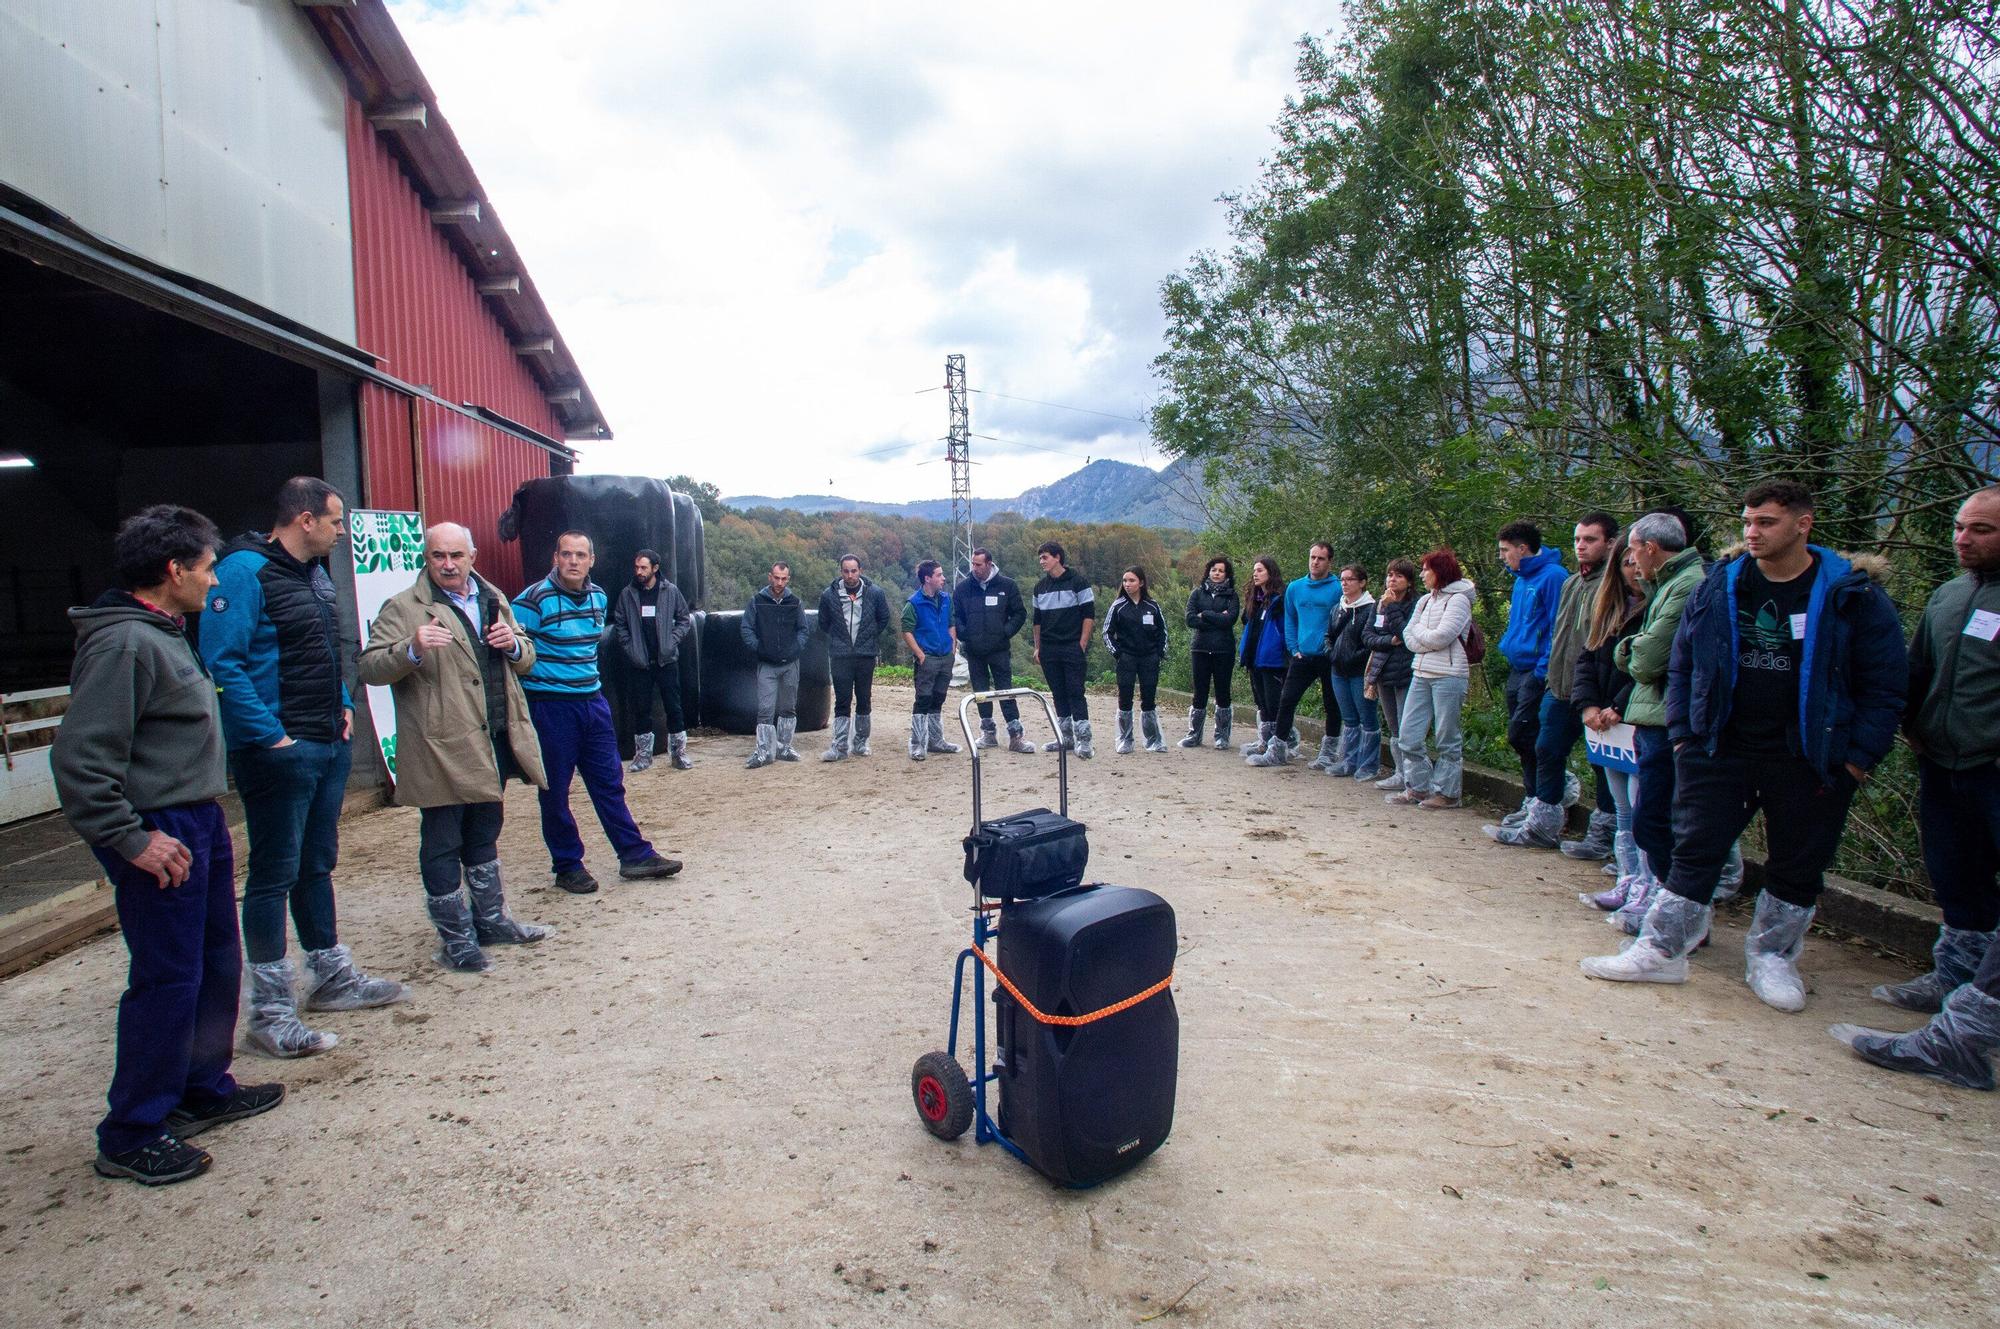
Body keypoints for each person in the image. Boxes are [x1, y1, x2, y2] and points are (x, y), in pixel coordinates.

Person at [1583, 481, 1907, 1011]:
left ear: (1803, 524)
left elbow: (1885, 683)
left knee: (1797, 861)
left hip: (1809, 755)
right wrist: (1685, 735)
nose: (1752, 533)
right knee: (1693, 848)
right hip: (1719, 746)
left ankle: (1773, 958)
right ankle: (1662, 950)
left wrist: (1856, 759)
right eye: (1748, 522)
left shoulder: (1853, 595)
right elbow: (1684, 661)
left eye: (1766, 523)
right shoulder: (1721, 584)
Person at [54, 506, 283, 1185]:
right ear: (174, 570)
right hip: (159, 828)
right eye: (207, 567)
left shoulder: (164, 632)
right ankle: (131, 1130)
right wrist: (130, 838)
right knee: (168, 977)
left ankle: (200, 1087)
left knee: (214, 959)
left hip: (196, 817)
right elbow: (80, 761)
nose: (215, 580)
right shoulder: (124, 644)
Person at [201, 477, 404, 1059]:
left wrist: (342, 705)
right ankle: (269, 1013)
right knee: (273, 873)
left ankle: (331, 977)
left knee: (316, 863)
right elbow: (223, 663)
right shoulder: (243, 573)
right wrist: (271, 737)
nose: (342, 532)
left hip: (325, 741)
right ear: (305, 519)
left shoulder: (313, 574)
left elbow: (322, 650)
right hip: (278, 753)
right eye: (336, 521)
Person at [1830, 486, 2000, 1088]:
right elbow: (1916, 668)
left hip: (1992, 765)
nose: (1963, 539)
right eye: (1958, 526)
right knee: (1957, 874)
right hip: (1944, 762)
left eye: (1981, 530)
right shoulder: (1950, 595)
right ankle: (1956, 977)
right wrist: (1910, 730)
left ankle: (1968, 1035)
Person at [359, 522, 552, 972]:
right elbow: (369, 668)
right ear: (426, 558)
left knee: (485, 830)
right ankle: (457, 939)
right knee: (443, 840)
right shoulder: (405, 607)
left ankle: (492, 922)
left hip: (494, 736)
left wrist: (515, 645)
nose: (448, 565)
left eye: (456, 556)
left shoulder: (493, 598)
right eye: (438, 556)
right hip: (441, 746)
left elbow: (527, 657)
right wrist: (411, 649)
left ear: (472, 557)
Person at [513, 531, 682, 893]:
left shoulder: (598, 597)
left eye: (580, 555)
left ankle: (634, 854)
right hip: (551, 706)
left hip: (592, 701)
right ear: (555, 558)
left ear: (592, 560)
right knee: (555, 790)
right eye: (566, 554)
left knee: (609, 783)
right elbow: (517, 654)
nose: (573, 561)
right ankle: (567, 865)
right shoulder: (532, 600)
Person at [1598, 511, 1706, 928]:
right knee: (1648, 817)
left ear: (1651, 548)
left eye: (1633, 551)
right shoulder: (1666, 585)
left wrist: (1626, 649)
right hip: (1654, 715)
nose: (1630, 560)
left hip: (1667, 718)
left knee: (1658, 819)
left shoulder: (1686, 586)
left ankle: (1677, 909)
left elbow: (1646, 659)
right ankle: (1665, 902)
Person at [1487, 514, 1615, 849]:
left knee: (1601, 761)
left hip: (1579, 681)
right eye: (1577, 539)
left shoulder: (1574, 579)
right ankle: (1541, 820)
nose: (1580, 546)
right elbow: (1561, 634)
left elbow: (1572, 636)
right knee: (1542, 745)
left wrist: (1541, 671)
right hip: (1556, 679)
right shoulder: (1570, 582)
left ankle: (1605, 834)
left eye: (1590, 539)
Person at [1571, 532, 1649, 911]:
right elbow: (1587, 658)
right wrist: (1588, 705)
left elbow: (1653, 665)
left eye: (1637, 560)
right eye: (1626, 562)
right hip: (1605, 723)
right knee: (1623, 808)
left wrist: (1618, 705)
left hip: (1637, 718)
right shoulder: (1608, 608)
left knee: (1643, 806)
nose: (1634, 569)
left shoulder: (1661, 607)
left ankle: (1646, 887)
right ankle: (1627, 879)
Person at [1484, 521, 1570, 838]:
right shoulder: (1521, 578)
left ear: (1522, 548)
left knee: (1524, 733)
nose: (1502, 557)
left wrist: (1542, 670)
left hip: (1537, 670)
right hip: (1517, 667)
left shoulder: (1554, 576)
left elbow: (1558, 627)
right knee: (1521, 737)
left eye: (1505, 550)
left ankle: (1550, 795)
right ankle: (1533, 798)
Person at [1385, 550, 1476, 810]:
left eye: (1427, 569)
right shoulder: (1425, 601)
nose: (1423, 574)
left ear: (1441, 571)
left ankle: (1448, 793)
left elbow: (1441, 637)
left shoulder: (1459, 601)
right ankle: (1418, 787)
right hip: (1421, 672)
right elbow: (1409, 637)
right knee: (1408, 735)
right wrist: (1424, 637)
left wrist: (1420, 635)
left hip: (1449, 675)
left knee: (1447, 736)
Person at [1248, 542, 1342, 768]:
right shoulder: (1295, 588)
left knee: (1332, 704)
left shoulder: (1338, 588)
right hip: (1302, 656)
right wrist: (1293, 648)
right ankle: (1277, 750)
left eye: (1320, 558)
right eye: (1312, 557)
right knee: (1286, 700)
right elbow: (1290, 619)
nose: (1315, 562)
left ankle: (1328, 753)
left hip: (1328, 657)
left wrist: (1334, 649)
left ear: (1329, 562)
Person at [611, 548, 694, 772]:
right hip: (640, 662)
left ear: (655, 568)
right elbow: (620, 623)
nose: (639, 571)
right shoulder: (628, 594)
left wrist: (671, 642)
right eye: (637, 567)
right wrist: (630, 648)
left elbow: (684, 619)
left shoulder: (670, 591)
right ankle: (643, 756)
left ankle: (678, 753)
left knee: (673, 707)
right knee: (641, 709)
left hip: (666, 660)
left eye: (643, 567)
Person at [951, 548, 1034, 753]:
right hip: (974, 650)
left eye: (978, 564)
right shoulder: (963, 588)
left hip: (999, 649)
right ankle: (988, 733)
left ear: (989, 564)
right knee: (981, 692)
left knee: (1006, 691)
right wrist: (966, 635)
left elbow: (1019, 613)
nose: (974, 568)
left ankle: (1016, 736)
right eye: (973, 564)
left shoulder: (1007, 585)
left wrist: (1005, 633)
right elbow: (955, 616)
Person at [817, 554, 893, 760]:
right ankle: (840, 746)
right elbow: (823, 622)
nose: (850, 575)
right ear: (840, 571)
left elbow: (883, 618)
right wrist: (838, 638)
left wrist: (869, 635)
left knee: (864, 698)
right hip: (840, 655)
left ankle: (861, 743)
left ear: (860, 571)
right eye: (846, 571)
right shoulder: (829, 595)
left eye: (854, 571)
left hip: (865, 654)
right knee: (842, 700)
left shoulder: (875, 593)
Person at [741, 560, 813, 768]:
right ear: (770, 577)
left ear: (788, 579)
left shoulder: (795, 602)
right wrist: (760, 648)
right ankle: (763, 751)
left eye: (783, 579)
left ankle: (784, 747)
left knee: (789, 707)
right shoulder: (757, 601)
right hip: (767, 663)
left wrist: (796, 648)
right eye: (776, 578)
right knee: (765, 708)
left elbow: (804, 630)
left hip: (790, 662)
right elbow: (746, 628)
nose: (779, 582)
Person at [1032, 541, 1096, 758]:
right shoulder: (1040, 587)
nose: (1041, 562)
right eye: (1040, 558)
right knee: (1058, 693)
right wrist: (1038, 647)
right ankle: (1066, 738)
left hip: (1071, 646)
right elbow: (1037, 621)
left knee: (1075, 692)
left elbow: (1089, 615)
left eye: (1045, 557)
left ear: (1057, 557)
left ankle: (1084, 740)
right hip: (1049, 648)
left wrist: (1082, 643)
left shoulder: (1078, 582)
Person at [1361, 558, 1417, 791]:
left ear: (1409, 582)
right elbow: (1367, 636)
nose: (1392, 580)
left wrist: (1392, 607)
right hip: (1382, 670)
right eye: (1390, 575)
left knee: (1407, 726)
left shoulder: (1416, 604)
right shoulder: (1379, 604)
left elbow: (1406, 634)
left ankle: (1413, 778)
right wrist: (1388, 641)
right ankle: (1400, 773)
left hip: (1406, 672)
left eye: (1398, 576)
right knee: (1393, 726)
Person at [1103, 565, 1170, 754]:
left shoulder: (1152, 606)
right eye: (1125, 580)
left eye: (1131, 580)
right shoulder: (1118, 606)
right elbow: (1107, 633)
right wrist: (1118, 653)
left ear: (1141, 583)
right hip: (1127, 658)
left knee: (1149, 699)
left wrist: (1159, 652)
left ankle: (1154, 740)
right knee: (1125, 698)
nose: (1127, 584)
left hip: (1149, 658)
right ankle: (1125, 740)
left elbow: (1163, 631)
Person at [1325, 565, 1379, 779]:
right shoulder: (1337, 608)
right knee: (1348, 717)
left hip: (1360, 672)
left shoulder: (1372, 609)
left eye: (1350, 579)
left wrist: (1352, 657)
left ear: (1362, 582)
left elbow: (1371, 642)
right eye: (1342, 579)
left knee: (1367, 717)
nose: (1345, 583)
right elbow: (1329, 635)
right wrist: (1331, 654)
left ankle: (1368, 764)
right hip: (1338, 671)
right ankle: (1348, 761)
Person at [904, 559, 961, 760]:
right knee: (923, 699)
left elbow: (951, 623)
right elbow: (907, 630)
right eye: (939, 575)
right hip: (927, 658)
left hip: (945, 657)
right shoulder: (913, 603)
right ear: (927, 578)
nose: (943, 578)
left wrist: (952, 649)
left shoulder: (946, 598)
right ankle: (917, 744)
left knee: (938, 698)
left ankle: (936, 741)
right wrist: (920, 655)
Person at [1182, 557, 1241, 748]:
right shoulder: (1197, 593)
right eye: (1214, 570)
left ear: (1227, 574)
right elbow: (1190, 619)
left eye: (1221, 571)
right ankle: (1194, 735)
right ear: (1208, 571)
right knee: (1200, 692)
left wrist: (1205, 614)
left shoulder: (1232, 596)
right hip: (1200, 648)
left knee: (1223, 692)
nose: (1217, 573)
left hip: (1224, 650)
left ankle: (1222, 737)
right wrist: (1217, 618)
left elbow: (1230, 620)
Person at [1238, 557, 1290, 755]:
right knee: (1261, 703)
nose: (1255, 574)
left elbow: (1285, 629)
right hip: (1254, 659)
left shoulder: (1280, 600)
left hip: (1273, 660)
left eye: (1260, 570)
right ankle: (1265, 741)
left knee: (1273, 703)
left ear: (1271, 572)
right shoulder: (1255, 599)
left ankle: (1280, 745)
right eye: (1254, 571)